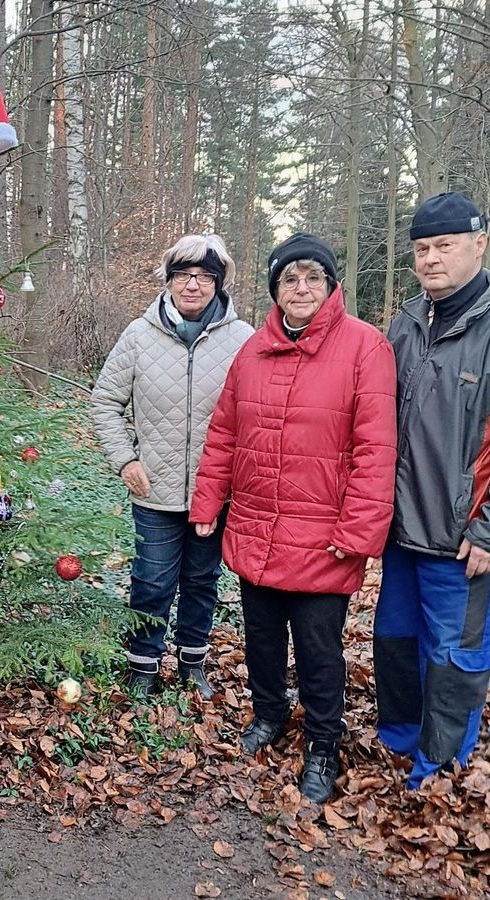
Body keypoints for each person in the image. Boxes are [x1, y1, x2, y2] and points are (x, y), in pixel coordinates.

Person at [189, 234, 397, 803]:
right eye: (289, 279)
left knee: (319, 650)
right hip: (257, 526)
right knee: (260, 636)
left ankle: (324, 742)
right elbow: (225, 433)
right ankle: (268, 714)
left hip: (322, 537)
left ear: (331, 286)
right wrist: (208, 501)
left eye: (312, 278)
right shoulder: (252, 351)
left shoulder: (365, 348)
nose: (301, 288)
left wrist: (357, 532)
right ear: (275, 290)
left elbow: (376, 448)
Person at [374, 191, 490, 789]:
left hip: (467, 538)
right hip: (401, 529)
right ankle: (399, 741)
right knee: (396, 639)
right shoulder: (407, 321)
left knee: (455, 655)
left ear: (479, 244)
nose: (431, 259)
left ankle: (440, 763)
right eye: (422, 248)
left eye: (445, 246)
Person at [90, 234, 256, 698]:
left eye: (205, 277)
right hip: (154, 489)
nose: (193, 285)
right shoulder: (139, 336)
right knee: (152, 581)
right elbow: (104, 402)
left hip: (216, 492)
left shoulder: (243, 340)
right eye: (183, 275)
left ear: (219, 285)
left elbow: (259, 414)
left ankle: (192, 664)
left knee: (202, 581)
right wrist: (125, 459)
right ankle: (143, 666)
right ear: (169, 280)